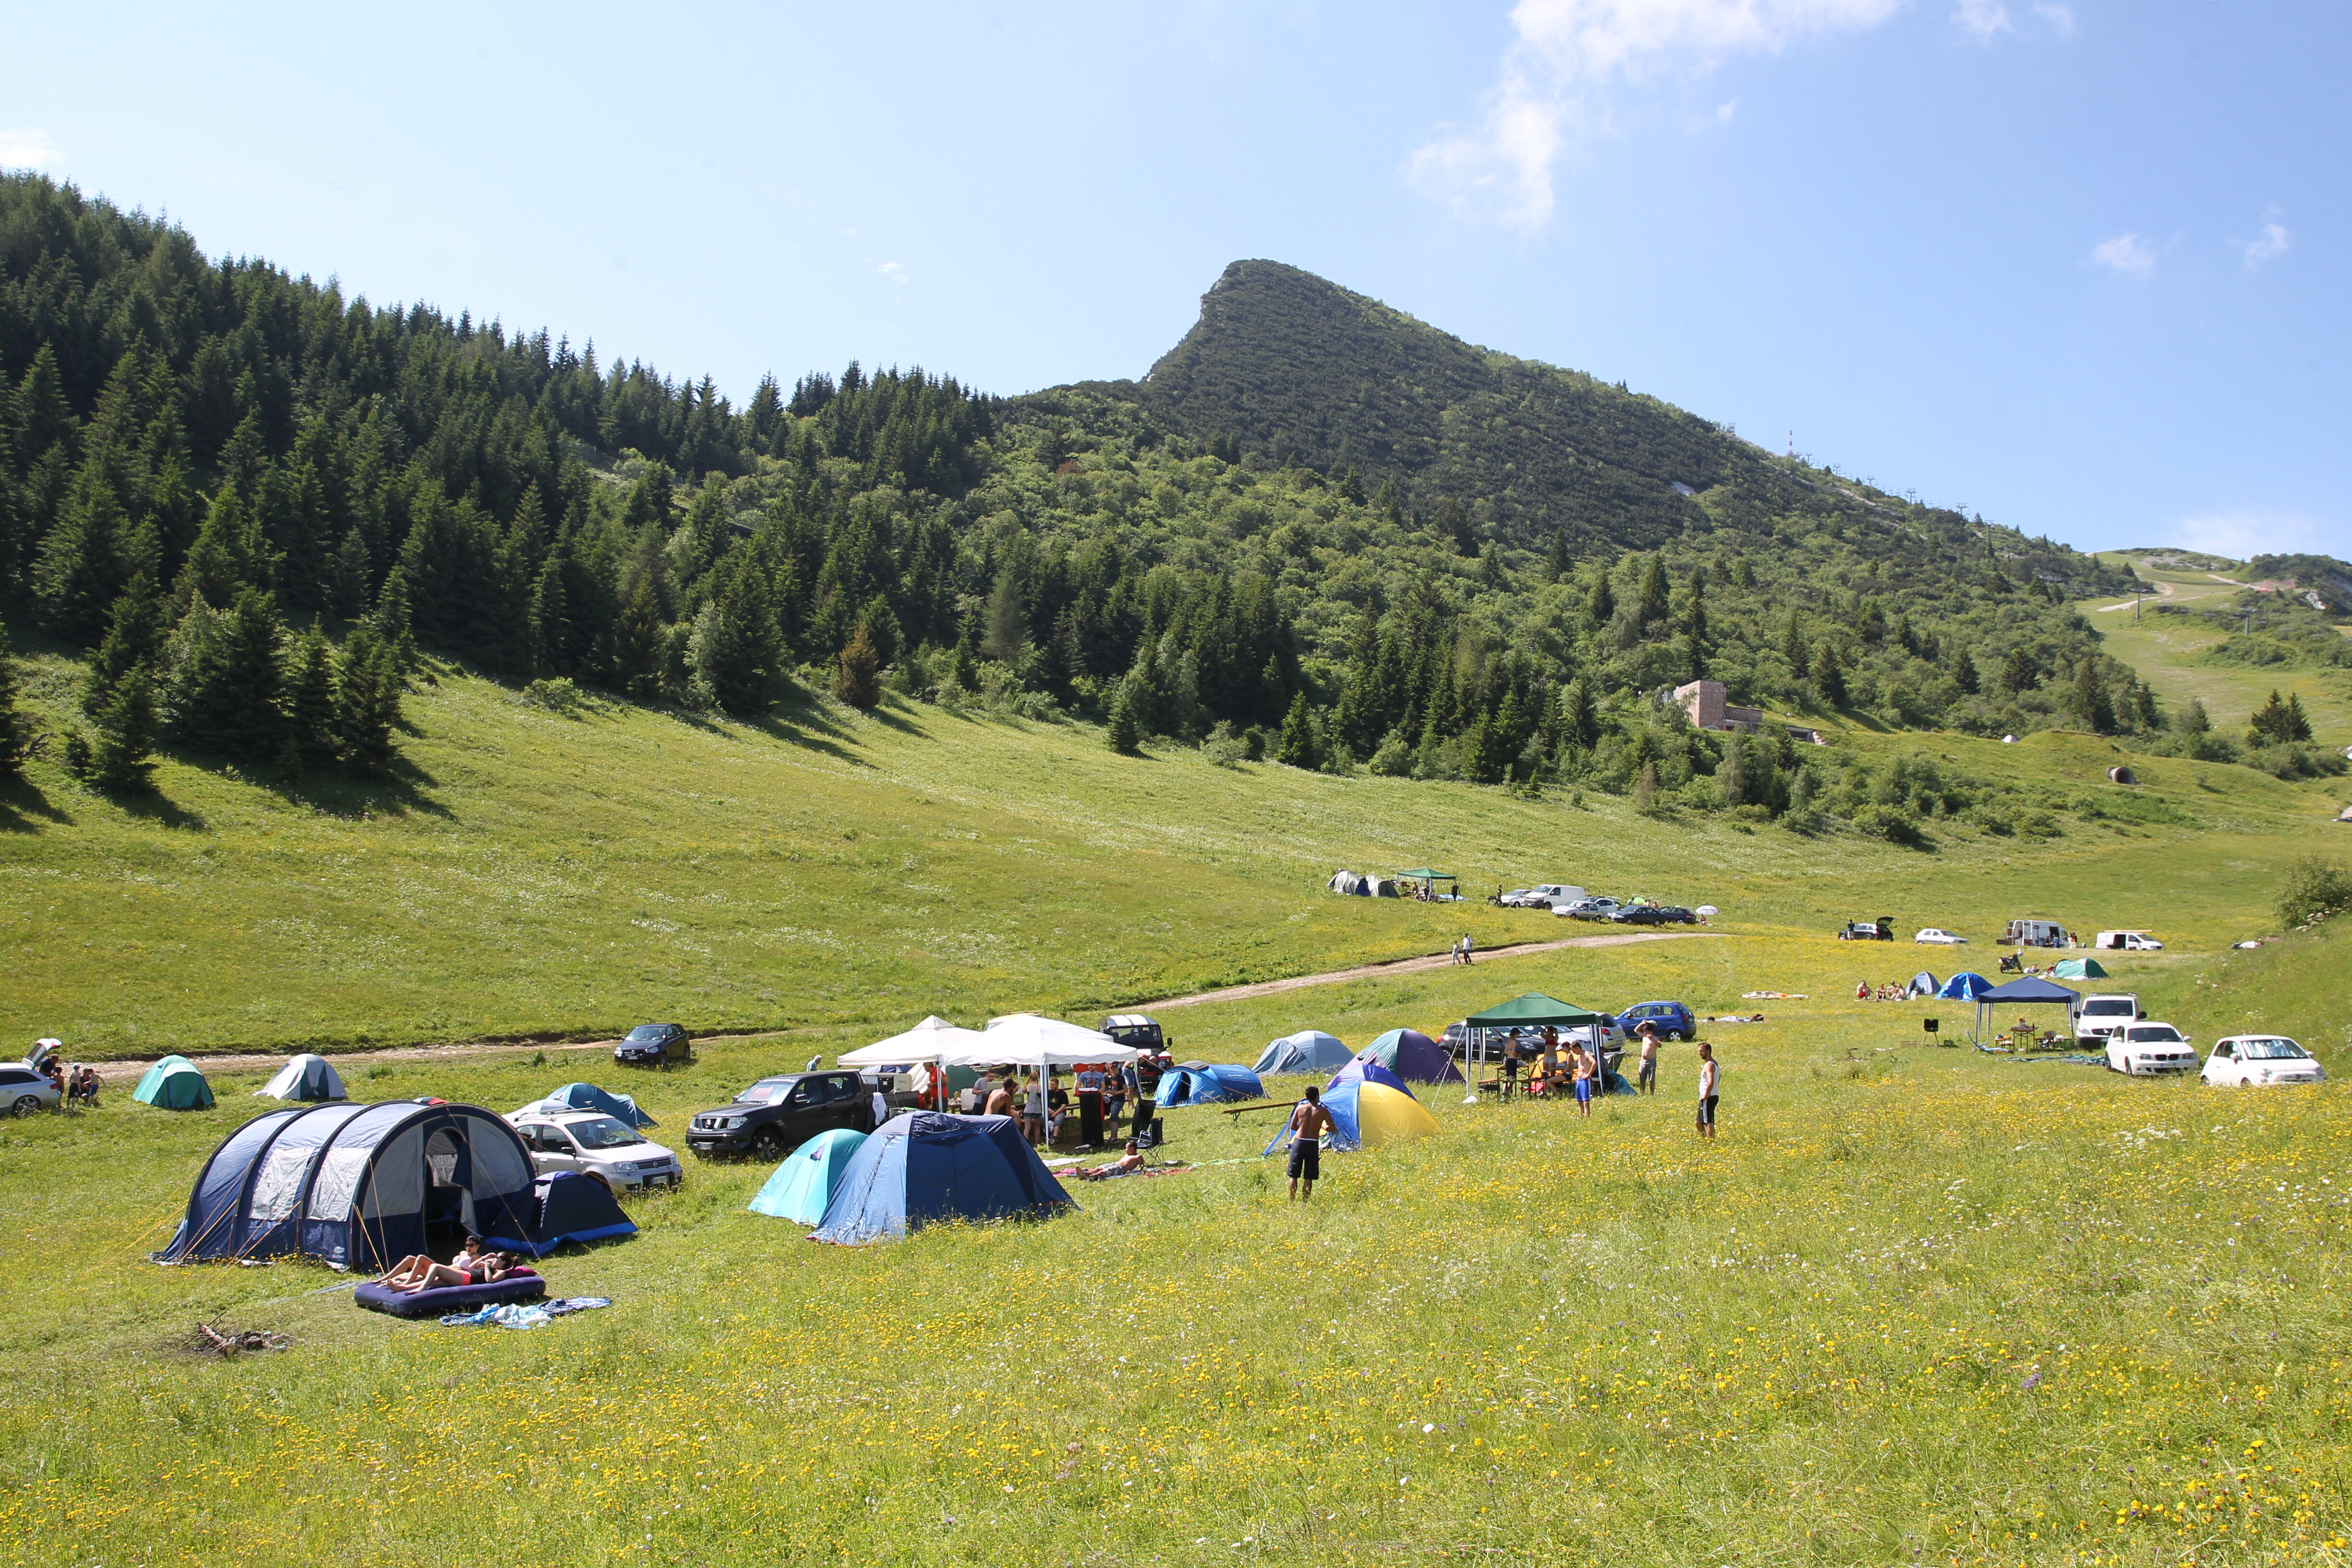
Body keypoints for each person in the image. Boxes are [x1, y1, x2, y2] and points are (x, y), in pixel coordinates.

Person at [1286, 1086, 1335, 1201]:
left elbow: (1293, 1126)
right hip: (1312, 1143)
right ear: (1317, 1096)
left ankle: (1291, 1202)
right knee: (1309, 1176)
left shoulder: (1300, 1108)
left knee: (1294, 1175)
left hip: (1299, 1142)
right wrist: (1321, 1126)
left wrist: (1302, 1127)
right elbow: (1332, 1128)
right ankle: (1305, 1202)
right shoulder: (1323, 1111)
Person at [1074, 1140, 1148, 1181]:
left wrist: (1140, 1171)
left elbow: (1142, 1166)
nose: (1126, 1150)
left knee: (1103, 1172)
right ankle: (1084, 1173)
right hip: (1115, 1164)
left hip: (1121, 1169)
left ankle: (1087, 1176)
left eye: (1127, 1148)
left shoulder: (1138, 1157)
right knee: (1099, 1169)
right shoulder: (1127, 1155)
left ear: (1133, 1148)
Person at [1695, 1042, 1720, 1141]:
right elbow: (1719, 1078)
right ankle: (1705, 1141)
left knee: (1708, 1121)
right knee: (1698, 1123)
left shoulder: (1710, 1065)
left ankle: (1710, 1143)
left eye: (1702, 1051)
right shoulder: (1714, 1064)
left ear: (1708, 1051)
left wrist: (1706, 1094)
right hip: (1709, 1096)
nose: (1700, 1053)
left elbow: (1711, 1081)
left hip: (1709, 1097)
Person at [1571, 1041, 1596, 1119]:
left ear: (1578, 1048)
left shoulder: (1586, 1054)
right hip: (1579, 1079)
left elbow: (1594, 1063)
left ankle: (1587, 1117)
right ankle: (1581, 1116)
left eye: (1574, 1050)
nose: (1574, 1053)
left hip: (1585, 1080)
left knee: (1586, 1101)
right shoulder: (1579, 1057)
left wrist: (1589, 1074)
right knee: (1580, 1101)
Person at [1635, 1022, 1660, 1095]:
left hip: (1651, 1061)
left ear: (1650, 1031)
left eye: (1646, 1032)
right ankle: (1642, 1092)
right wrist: (1642, 1023)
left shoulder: (1655, 1038)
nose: (1645, 1033)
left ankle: (1652, 1093)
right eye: (1644, 1032)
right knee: (1642, 1078)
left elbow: (1659, 1045)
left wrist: (1652, 1038)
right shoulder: (1644, 1038)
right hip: (1643, 1061)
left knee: (1651, 1079)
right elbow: (1636, 1030)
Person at [1500, 1030, 1522, 1098]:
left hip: (1508, 1060)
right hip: (1513, 1060)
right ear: (1516, 1034)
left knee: (1507, 1077)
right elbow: (1514, 1052)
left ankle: (1505, 1091)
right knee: (1512, 1078)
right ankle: (1509, 1090)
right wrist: (1518, 1055)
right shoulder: (1514, 1042)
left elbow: (1506, 1052)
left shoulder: (1508, 1041)